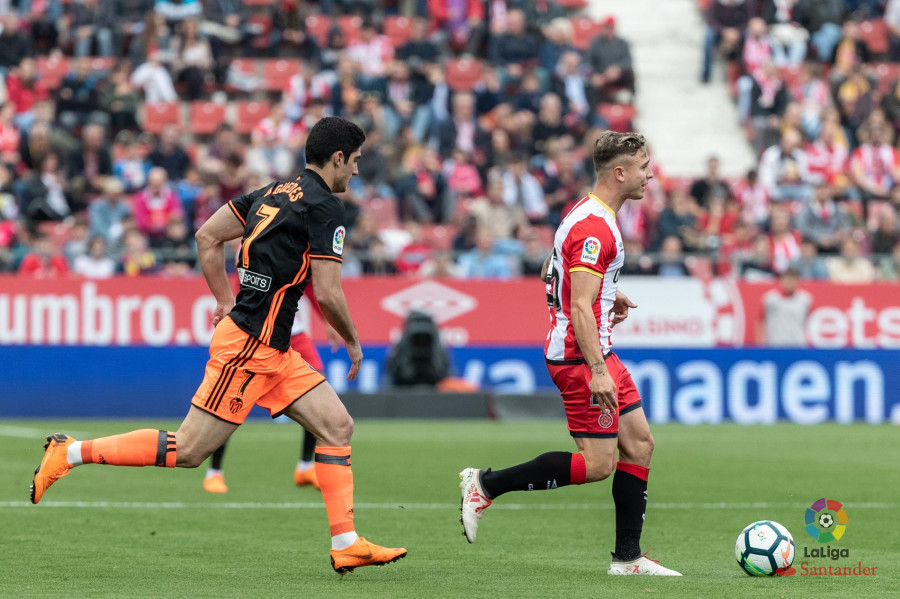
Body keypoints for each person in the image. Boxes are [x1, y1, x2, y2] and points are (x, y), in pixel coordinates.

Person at [30, 116, 407, 575]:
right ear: (338, 158)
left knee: (337, 426)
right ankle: (69, 452)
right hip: (250, 346)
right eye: (356, 161)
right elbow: (327, 292)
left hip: (274, 350)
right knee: (188, 450)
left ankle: (345, 542)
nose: (357, 170)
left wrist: (225, 300)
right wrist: (352, 338)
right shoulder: (325, 206)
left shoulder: (270, 192)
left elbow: (207, 235)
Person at [458, 131, 681, 576]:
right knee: (598, 465)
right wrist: (597, 369)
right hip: (581, 358)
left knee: (640, 444)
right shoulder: (595, 227)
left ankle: (628, 558)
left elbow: (553, 268)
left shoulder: (586, 212)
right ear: (620, 173)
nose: (650, 175)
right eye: (643, 168)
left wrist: (608, 292)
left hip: (597, 351)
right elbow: (578, 305)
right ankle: (485, 485)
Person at [202, 286, 340, 493]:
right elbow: (245, 285)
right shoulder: (254, 262)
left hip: (293, 332)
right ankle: (214, 472)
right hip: (258, 333)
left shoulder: (303, 263)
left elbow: (313, 288)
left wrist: (328, 320)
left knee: (319, 390)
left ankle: (305, 466)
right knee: (232, 399)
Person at [757, 267, 811, 346]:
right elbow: (760, 321)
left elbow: (809, 321)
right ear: (781, 280)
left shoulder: (805, 300)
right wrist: (760, 343)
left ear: (797, 281)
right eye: (787, 280)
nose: (789, 283)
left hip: (797, 344)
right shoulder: (770, 299)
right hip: (775, 344)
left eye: (792, 280)